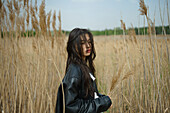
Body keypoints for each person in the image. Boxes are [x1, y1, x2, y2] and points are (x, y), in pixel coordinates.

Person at [55, 28, 112, 113]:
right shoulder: (75, 70)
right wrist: (103, 103)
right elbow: (71, 107)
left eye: (89, 42)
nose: (88, 46)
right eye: (82, 43)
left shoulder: (83, 67)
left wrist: (103, 99)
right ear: (73, 46)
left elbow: (87, 96)